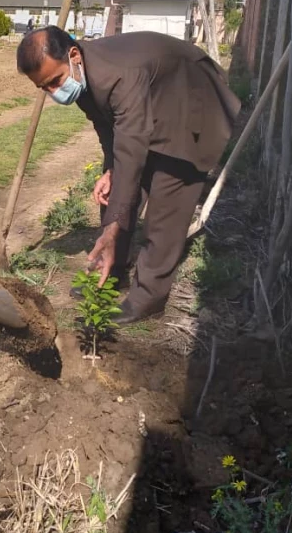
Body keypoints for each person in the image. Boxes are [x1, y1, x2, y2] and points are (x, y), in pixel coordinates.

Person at [16, 26, 240, 324]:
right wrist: (110, 169)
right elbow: (107, 127)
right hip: (152, 103)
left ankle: (148, 297)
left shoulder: (119, 75)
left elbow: (132, 148)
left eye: (55, 81)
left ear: (73, 55)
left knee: (165, 202)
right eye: (43, 88)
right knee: (114, 193)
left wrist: (112, 228)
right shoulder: (80, 72)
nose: (54, 92)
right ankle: (112, 270)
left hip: (192, 101)